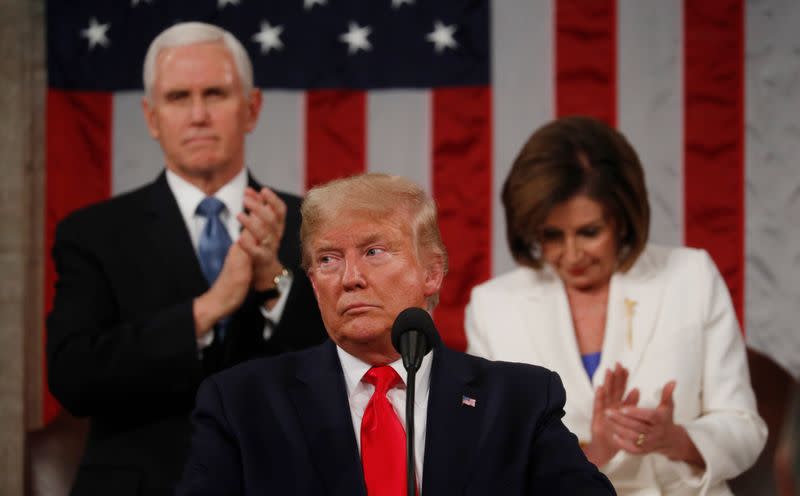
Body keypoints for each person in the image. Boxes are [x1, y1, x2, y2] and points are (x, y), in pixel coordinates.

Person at [176, 173, 616, 495]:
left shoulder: (519, 400)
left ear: (432, 272)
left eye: (374, 252)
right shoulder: (242, 403)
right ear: (312, 283)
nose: (350, 277)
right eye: (327, 260)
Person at [46, 22, 327, 496]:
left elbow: (341, 368)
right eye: (178, 98)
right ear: (152, 117)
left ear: (252, 107)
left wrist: (271, 284)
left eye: (215, 93)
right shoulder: (92, 233)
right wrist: (208, 308)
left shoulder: (314, 224)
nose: (198, 115)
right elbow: (74, 378)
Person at [465, 116, 768, 494]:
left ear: (624, 219)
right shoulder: (494, 306)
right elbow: (491, 457)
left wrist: (675, 438)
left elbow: (744, 427)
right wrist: (593, 452)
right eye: (552, 235)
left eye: (589, 232)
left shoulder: (691, 276)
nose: (571, 254)